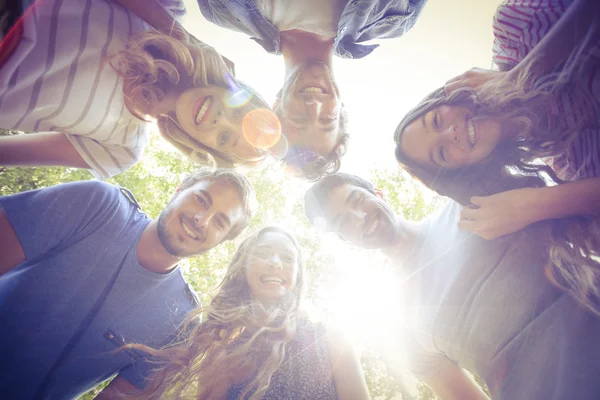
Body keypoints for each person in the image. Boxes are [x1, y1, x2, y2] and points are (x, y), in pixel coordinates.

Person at [304, 172, 600, 400]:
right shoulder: (398, 322)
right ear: (346, 240)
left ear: (378, 193)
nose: (358, 218)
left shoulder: (465, 207)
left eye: (356, 201)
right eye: (343, 223)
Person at [0, 168, 255, 399]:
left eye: (220, 222)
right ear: (178, 191)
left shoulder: (181, 323)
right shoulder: (98, 205)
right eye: (201, 199)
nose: (202, 219)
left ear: (222, 241)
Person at [394, 0, 600, 240]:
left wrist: (520, 78)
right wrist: (529, 206)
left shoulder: (514, 30)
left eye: (437, 120)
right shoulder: (571, 163)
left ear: (446, 98)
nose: (451, 134)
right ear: (466, 170)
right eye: (442, 153)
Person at [0, 0, 273, 180]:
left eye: (225, 138)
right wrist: (183, 37)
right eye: (238, 114)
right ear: (234, 88)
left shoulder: (123, 149)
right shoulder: (171, 11)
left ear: (205, 149)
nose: (220, 120)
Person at [104, 226, 370, 400]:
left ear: (297, 276)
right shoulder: (221, 353)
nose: (276, 263)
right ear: (244, 267)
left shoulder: (330, 340)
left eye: (287, 258)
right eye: (264, 254)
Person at [197, 0, 428, 180]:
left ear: (275, 107)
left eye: (298, 119)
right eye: (327, 119)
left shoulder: (221, 10)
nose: (315, 105)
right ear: (341, 108)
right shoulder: (392, 18)